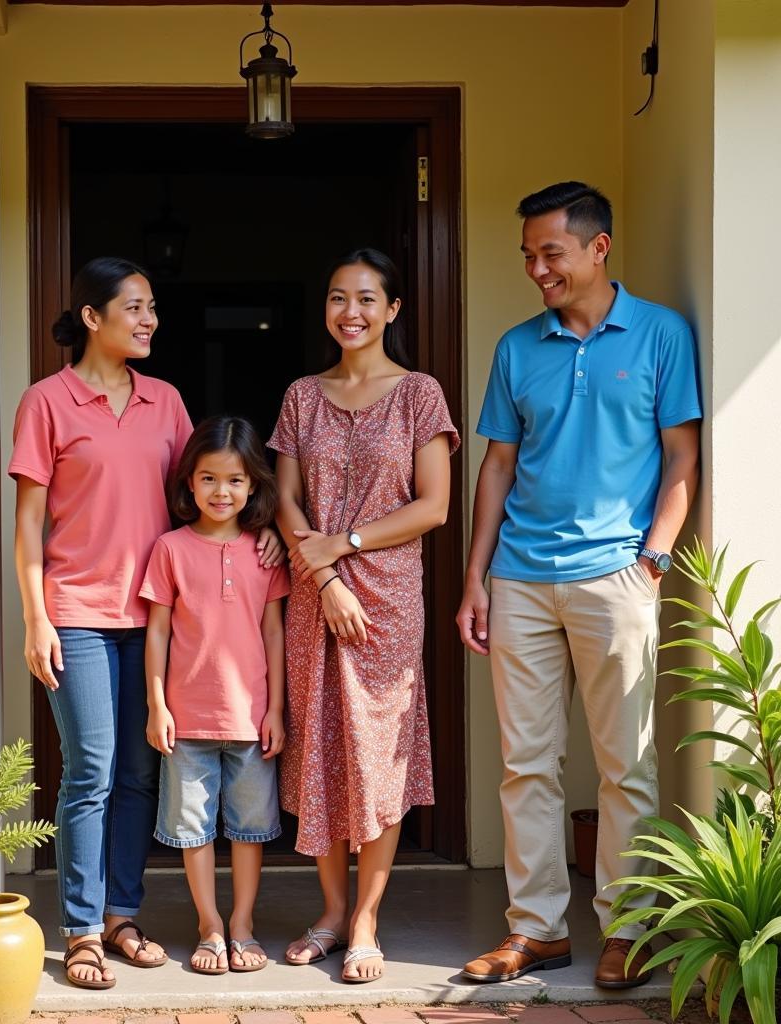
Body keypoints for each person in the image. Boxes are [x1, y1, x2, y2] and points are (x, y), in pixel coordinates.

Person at [9, 257, 282, 990]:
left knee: (138, 773)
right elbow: (28, 523)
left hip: (160, 619)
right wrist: (36, 618)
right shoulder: (47, 402)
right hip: (77, 613)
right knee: (91, 771)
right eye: (134, 307)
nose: (149, 319)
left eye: (153, 307)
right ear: (91, 317)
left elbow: (208, 494)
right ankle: (79, 929)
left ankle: (120, 916)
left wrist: (261, 531)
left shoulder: (166, 402)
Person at [455, 182, 701, 988]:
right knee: (526, 765)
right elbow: (496, 466)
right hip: (521, 579)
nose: (536, 269)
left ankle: (628, 929)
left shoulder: (662, 333)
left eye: (550, 252)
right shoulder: (518, 347)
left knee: (624, 764)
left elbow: (680, 458)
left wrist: (654, 559)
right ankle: (537, 931)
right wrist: (476, 578)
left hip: (617, 577)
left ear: (599, 248)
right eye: (528, 254)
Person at [269, 248, 459, 983]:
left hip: (387, 599)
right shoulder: (300, 395)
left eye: (367, 298)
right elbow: (285, 501)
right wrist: (322, 575)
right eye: (337, 297)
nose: (351, 312)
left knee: (378, 758)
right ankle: (329, 912)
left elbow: (433, 505)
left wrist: (344, 545)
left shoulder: (419, 394)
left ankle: (368, 921)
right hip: (318, 597)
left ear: (393, 309)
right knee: (319, 747)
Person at [142, 416, 289, 975]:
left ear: (253, 486)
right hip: (187, 721)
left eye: (234, 480)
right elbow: (158, 630)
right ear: (188, 483)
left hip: (251, 719)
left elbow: (273, 630)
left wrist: (276, 707)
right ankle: (209, 926)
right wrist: (157, 703)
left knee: (249, 830)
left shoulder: (264, 553)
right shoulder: (170, 549)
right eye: (207, 479)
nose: (220, 492)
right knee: (192, 829)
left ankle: (243, 925)